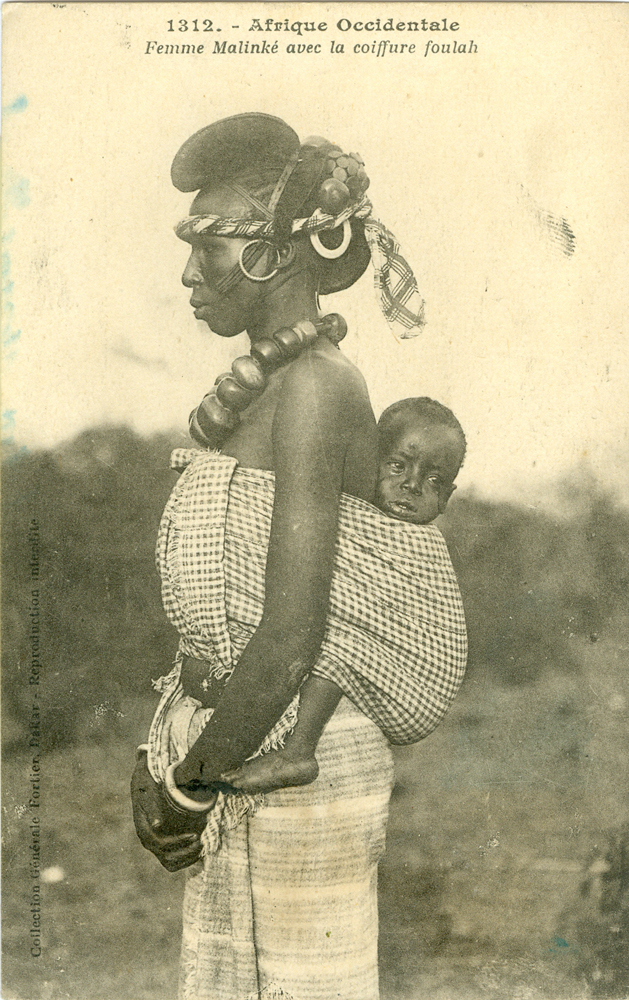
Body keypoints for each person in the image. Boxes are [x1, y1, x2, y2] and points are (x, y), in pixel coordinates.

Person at [130, 113, 466, 1000]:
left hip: (283, 756)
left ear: (272, 257)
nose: (188, 272)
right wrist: (170, 754)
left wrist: (193, 783)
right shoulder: (264, 386)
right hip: (237, 736)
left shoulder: (317, 389)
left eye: (208, 245)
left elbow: (286, 634)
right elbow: (228, 617)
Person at [222, 396, 466, 795]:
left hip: (395, 676)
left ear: (447, 497)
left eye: (434, 480)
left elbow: (396, 621)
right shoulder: (348, 514)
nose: (412, 485)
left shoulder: (423, 547)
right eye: (397, 466)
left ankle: (299, 750)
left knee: (339, 644)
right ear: (370, 462)